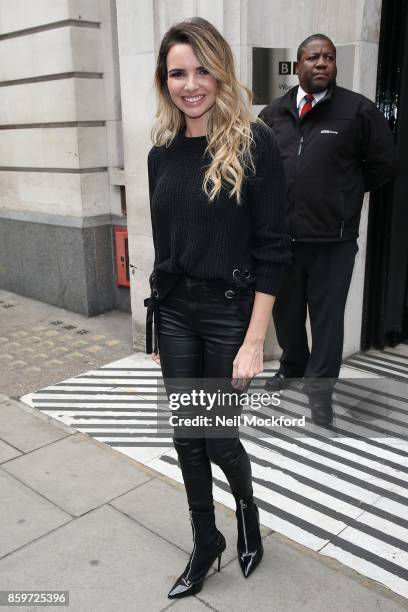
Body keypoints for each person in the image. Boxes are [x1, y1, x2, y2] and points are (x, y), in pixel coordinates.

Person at [145, 17, 290, 599]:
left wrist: (255, 340)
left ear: (221, 71)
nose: (191, 84)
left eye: (202, 69)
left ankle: (248, 513)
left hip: (232, 315)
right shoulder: (161, 152)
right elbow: (164, 246)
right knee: (186, 435)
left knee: (219, 437)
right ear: (165, 81)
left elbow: (274, 250)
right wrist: (157, 325)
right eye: (178, 72)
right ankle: (207, 541)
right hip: (177, 310)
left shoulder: (257, 144)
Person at [259, 33, 396, 426]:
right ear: (297, 65)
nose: (321, 63)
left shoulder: (358, 112)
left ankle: (321, 392)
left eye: (329, 58)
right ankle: (292, 365)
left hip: (333, 242)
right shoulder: (274, 114)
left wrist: (344, 195)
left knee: (326, 319)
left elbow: (384, 165)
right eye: (313, 57)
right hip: (282, 240)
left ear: (335, 65)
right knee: (285, 314)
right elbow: (262, 172)